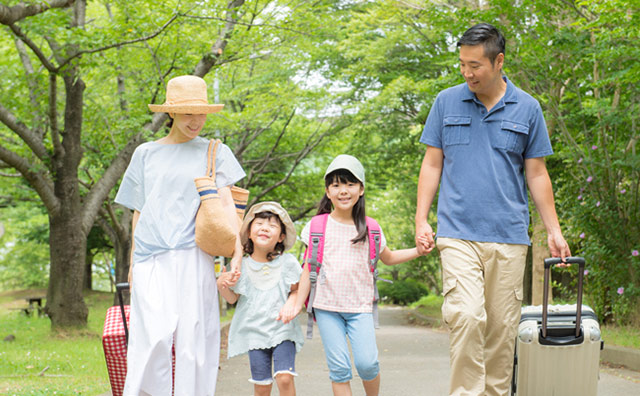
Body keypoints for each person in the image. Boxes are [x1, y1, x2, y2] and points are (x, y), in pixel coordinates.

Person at [415, 23, 571, 396]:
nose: (467, 73)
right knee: (467, 317)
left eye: (475, 65)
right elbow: (432, 164)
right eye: (462, 64)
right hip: (457, 234)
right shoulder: (446, 102)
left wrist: (554, 230)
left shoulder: (528, 108)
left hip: (509, 236)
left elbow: (536, 174)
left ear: (499, 61)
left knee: (501, 333)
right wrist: (421, 218)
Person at [115, 75, 245, 395]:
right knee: (152, 338)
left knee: (195, 340)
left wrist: (236, 256)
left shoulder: (216, 151)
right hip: (150, 256)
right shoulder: (145, 153)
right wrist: (132, 262)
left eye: (201, 113)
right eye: (187, 113)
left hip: (195, 253)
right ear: (170, 113)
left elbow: (230, 209)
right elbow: (139, 210)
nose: (196, 121)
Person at [301, 154, 427, 396]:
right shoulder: (317, 226)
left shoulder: (371, 228)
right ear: (328, 192)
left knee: (367, 364)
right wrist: (295, 302)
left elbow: (387, 257)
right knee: (339, 369)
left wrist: (418, 251)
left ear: (361, 189)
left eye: (349, 184)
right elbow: (308, 267)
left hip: (360, 308)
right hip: (327, 308)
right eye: (336, 185)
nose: (343, 190)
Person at [217, 201, 308, 396]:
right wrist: (221, 285)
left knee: (284, 377)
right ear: (249, 232)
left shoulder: (287, 262)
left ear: (281, 237)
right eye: (259, 224)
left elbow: (297, 289)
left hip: (282, 330)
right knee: (262, 386)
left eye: (272, 225)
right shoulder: (242, 265)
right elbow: (232, 299)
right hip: (254, 333)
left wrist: (292, 303)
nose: (265, 228)